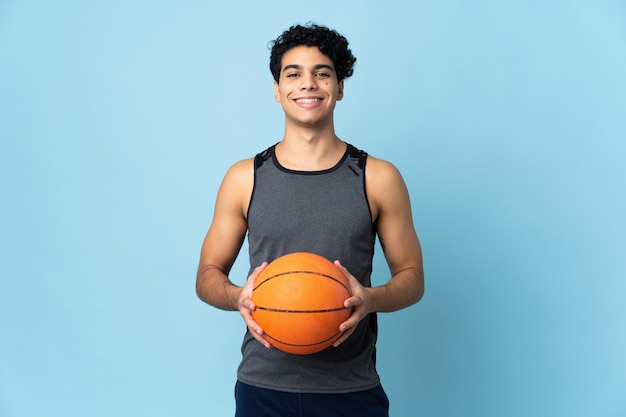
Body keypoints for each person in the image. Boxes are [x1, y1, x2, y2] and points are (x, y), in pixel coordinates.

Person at [196, 23, 424, 417]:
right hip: (262, 387)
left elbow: (412, 279)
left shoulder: (378, 177)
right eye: (293, 73)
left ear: (339, 88)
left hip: (351, 388)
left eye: (322, 73)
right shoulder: (243, 178)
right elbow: (207, 274)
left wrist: (370, 300)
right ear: (277, 89)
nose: (308, 84)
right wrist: (239, 297)